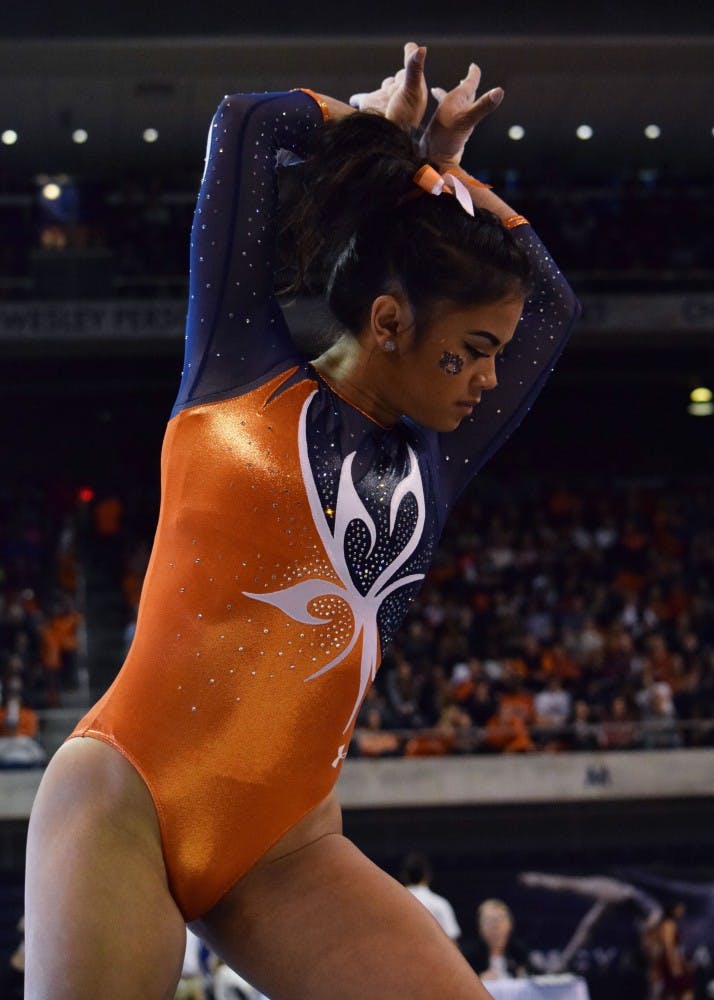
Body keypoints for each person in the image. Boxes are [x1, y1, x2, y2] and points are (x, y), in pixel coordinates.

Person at [25, 42, 579, 1000]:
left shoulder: (432, 458)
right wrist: (379, 132)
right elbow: (251, 124)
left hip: (285, 853)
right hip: (128, 803)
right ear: (392, 320)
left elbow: (553, 299)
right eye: (475, 350)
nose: (493, 377)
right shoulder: (239, 366)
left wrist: (436, 172)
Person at [401, 852, 462, 942]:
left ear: (404, 876)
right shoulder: (440, 904)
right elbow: (452, 939)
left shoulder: (394, 904)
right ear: (427, 875)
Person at [467, 899, 532, 980]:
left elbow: (535, 976)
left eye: (500, 919)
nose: (495, 926)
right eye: (489, 921)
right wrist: (478, 981)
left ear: (510, 925)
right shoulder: (469, 956)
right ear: (480, 927)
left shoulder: (519, 952)